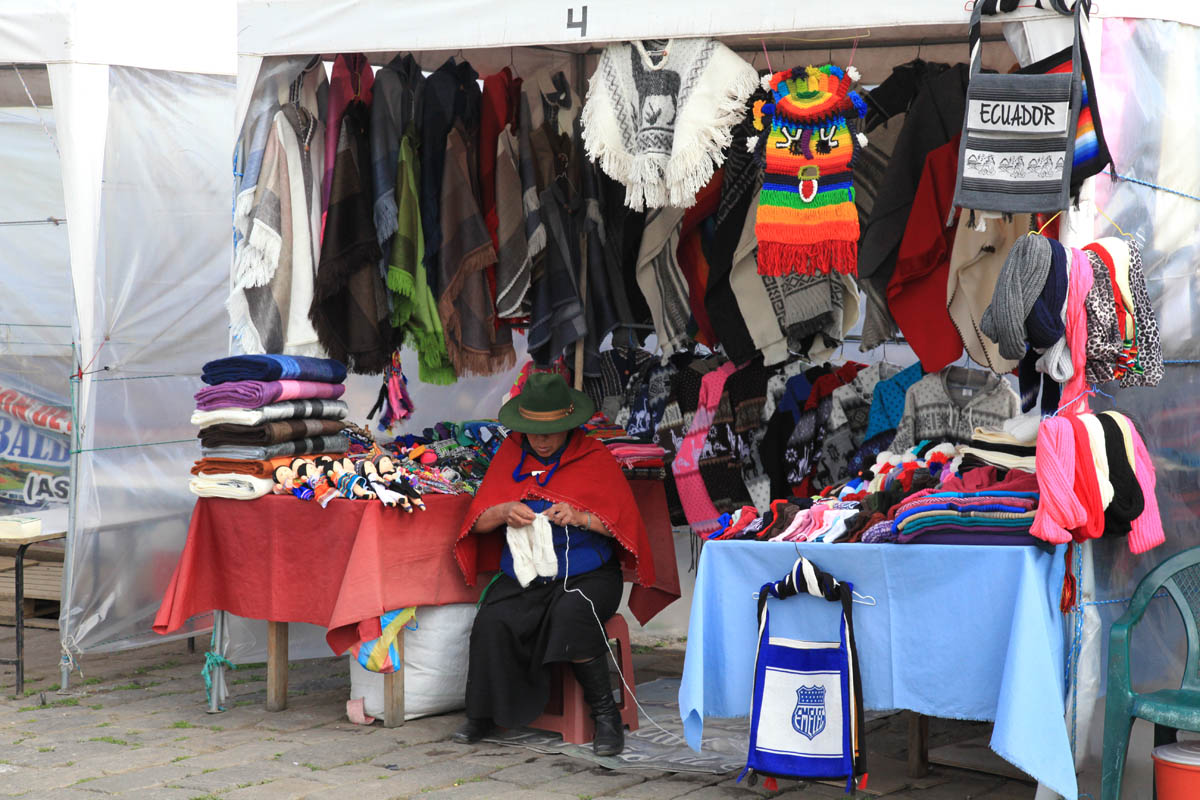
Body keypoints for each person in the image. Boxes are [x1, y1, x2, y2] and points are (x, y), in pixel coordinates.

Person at [451, 373, 653, 756]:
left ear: (569, 426)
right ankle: (482, 715)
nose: (541, 441)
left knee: (572, 613)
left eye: (551, 432)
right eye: (533, 432)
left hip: (590, 574)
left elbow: (623, 527)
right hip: (529, 574)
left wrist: (580, 518)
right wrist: (504, 511)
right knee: (492, 619)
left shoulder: (594, 458)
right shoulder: (510, 454)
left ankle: (606, 716)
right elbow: (476, 522)